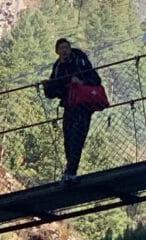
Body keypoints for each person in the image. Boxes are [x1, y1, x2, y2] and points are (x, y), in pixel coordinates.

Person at [42, 38, 102, 183]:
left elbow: (95, 80)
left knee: (77, 137)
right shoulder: (58, 67)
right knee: (68, 139)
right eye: (61, 48)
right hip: (69, 106)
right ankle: (70, 171)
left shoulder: (80, 60)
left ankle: (71, 172)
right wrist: (47, 86)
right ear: (57, 52)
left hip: (83, 106)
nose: (64, 51)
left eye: (66, 48)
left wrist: (81, 82)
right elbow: (53, 93)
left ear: (70, 49)